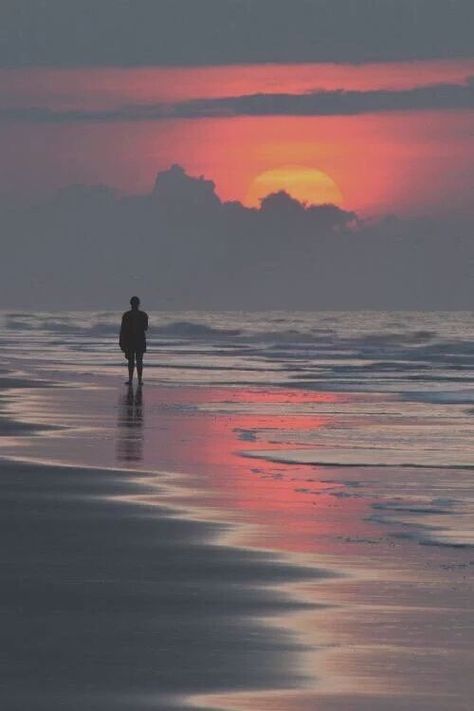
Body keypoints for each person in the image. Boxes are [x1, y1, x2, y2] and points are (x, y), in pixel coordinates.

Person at [119, 296, 148, 385]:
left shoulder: (126, 315)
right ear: (138, 304)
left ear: (131, 304)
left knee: (131, 361)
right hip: (140, 339)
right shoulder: (143, 315)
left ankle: (131, 380)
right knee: (139, 360)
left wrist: (121, 341)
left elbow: (123, 329)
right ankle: (139, 380)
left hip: (130, 340)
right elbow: (145, 328)